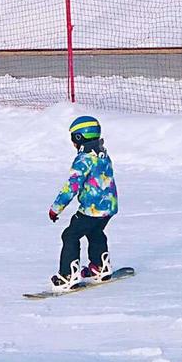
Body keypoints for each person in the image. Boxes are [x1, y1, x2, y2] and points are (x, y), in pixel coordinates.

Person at [48, 116, 118, 291]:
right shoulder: (103, 154)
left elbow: (72, 186)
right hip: (108, 207)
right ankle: (100, 267)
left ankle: (67, 276)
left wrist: (56, 208)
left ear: (79, 138)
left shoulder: (84, 159)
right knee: (95, 232)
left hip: (91, 209)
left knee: (70, 235)